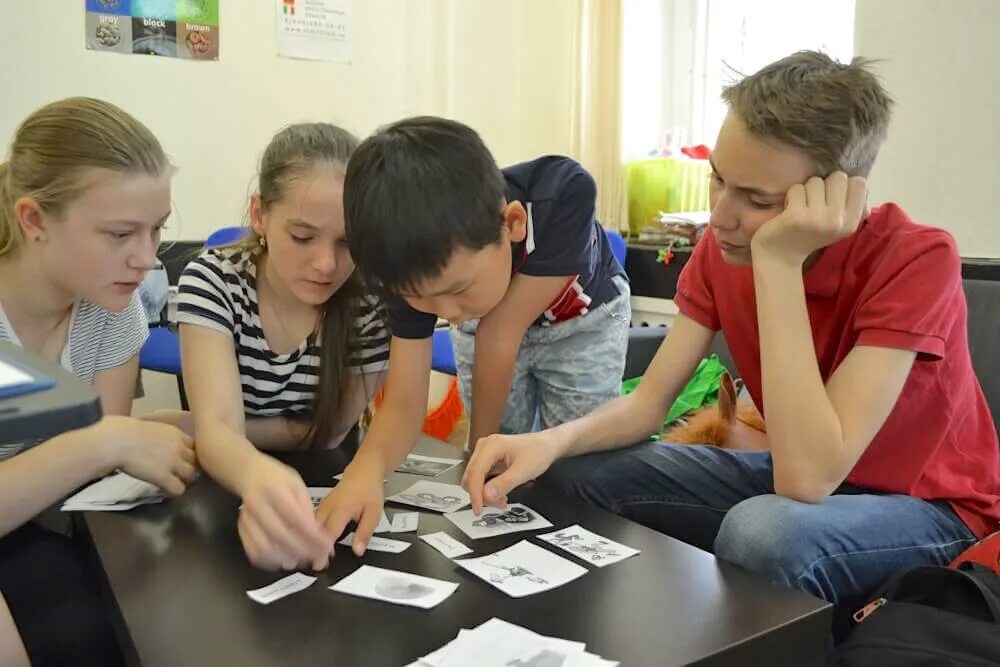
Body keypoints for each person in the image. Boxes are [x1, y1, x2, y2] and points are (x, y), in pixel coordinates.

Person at [462, 51, 1000, 605]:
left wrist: (779, 263)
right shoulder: (724, 249)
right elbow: (647, 405)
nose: (719, 214)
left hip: (933, 507)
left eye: (757, 199)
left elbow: (808, 478)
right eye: (719, 179)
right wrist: (546, 442)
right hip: (794, 478)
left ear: (840, 196)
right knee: (571, 469)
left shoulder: (917, 259)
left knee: (763, 531)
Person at [320, 117, 629, 555]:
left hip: (582, 322)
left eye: (457, 289)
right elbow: (405, 401)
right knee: (503, 457)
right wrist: (364, 471)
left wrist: (478, 455)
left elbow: (498, 334)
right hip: (489, 327)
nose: (444, 313)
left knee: (577, 460)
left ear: (513, 224)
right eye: (419, 298)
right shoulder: (409, 268)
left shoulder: (564, 193)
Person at [0, 97, 197, 666]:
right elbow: (99, 443)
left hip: (38, 527)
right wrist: (108, 440)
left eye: (157, 230)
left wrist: (128, 438)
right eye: (119, 235)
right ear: (34, 220)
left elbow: (92, 475)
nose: (146, 259)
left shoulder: (114, 308)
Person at [177, 123, 390, 571]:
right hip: (225, 489)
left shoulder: (372, 300)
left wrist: (188, 425)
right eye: (302, 236)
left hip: (330, 483)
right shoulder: (213, 279)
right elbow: (221, 435)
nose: (326, 264)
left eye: (347, 243)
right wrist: (244, 457)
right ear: (259, 215)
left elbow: (331, 433)